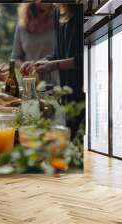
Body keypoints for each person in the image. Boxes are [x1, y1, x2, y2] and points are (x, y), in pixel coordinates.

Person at [20, 4, 84, 138]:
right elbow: (59, 53)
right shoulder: (58, 13)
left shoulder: (79, 10)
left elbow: (84, 57)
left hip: (84, 92)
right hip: (68, 95)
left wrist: (54, 65)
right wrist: (41, 61)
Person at [11, 2, 58, 85]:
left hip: (55, 82)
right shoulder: (22, 26)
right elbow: (15, 58)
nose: (42, 4)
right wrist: (26, 67)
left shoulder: (59, 23)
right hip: (30, 81)